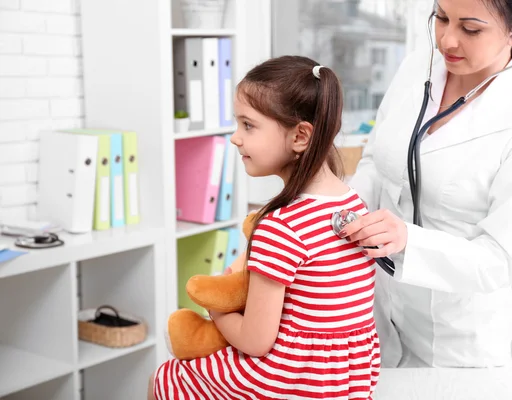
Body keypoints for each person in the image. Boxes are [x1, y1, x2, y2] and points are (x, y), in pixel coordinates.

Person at [340, 0, 512, 368]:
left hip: (453, 346)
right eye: (441, 18)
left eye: (470, 28)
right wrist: (337, 214)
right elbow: (376, 161)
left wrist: (407, 240)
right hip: (374, 323)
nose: (447, 40)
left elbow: (498, 261)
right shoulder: (418, 66)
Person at [149, 56, 381, 400]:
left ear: (300, 136)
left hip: (291, 381)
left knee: (169, 377)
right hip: (343, 380)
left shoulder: (281, 226)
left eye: (248, 125)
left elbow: (256, 342)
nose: (235, 138)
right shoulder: (352, 205)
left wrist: (218, 309)